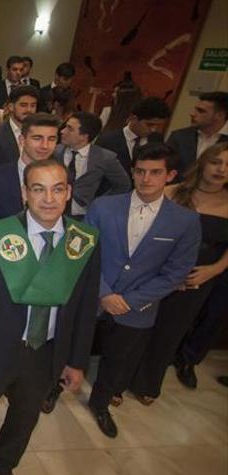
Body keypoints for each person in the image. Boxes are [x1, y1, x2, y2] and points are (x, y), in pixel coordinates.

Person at [0, 159, 100, 475]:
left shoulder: (85, 242)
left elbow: (85, 308)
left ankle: (4, 464)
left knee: (25, 416)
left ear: (69, 193)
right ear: (24, 194)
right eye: (38, 189)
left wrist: (77, 360)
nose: (48, 198)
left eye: (57, 189)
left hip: (47, 350)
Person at [85, 143, 201, 439]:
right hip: (94, 296)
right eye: (140, 171)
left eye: (155, 172)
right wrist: (104, 292)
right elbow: (84, 252)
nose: (146, 179)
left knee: (117, 360)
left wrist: (129, 300)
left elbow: (175, 272)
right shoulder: (103, 206)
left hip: (137, 308)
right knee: (73, 348)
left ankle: (101, 404)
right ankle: (54, 388)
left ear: (170, 175)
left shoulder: (185, 221)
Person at [129, 142, 228, 402]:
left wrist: (214, 270)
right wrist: (168, 274)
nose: (222, 169)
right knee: (137, 328)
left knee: (169, 332)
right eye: (216, 162)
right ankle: (119, 379)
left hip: (199, 277)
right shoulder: (172, 193)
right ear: (203, 162)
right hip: (157, 272)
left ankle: (147, 384)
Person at [0, 113, 59, 221]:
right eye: (37, 138)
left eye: (51, 139)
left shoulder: (62, 178)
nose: (45, 145)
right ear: (22, 140)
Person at [57, 111, 131, 218]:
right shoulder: (55, 152)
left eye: (70, 128)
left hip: (83, 215)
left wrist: (100, 203)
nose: (62, 131)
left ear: (84, 136)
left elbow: (123, 185)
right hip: (53, 210)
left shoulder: (105, 157)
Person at [95, 96, 169, 176]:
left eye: (158, 126)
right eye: (149, 125)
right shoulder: (107, 141)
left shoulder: (156, 139)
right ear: (134, 119)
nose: (153, 130)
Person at [0, 85, 39, 174]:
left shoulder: (40, 135)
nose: (29, 110)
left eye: (33, 105)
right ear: (11, 107)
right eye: (23, 105)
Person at [166, 91, 228, 179]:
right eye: (195, 109)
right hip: (178, 190)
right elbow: (165, 168)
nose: (192, 114)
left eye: (201, 111)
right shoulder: (179, 137)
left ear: (219, 116)